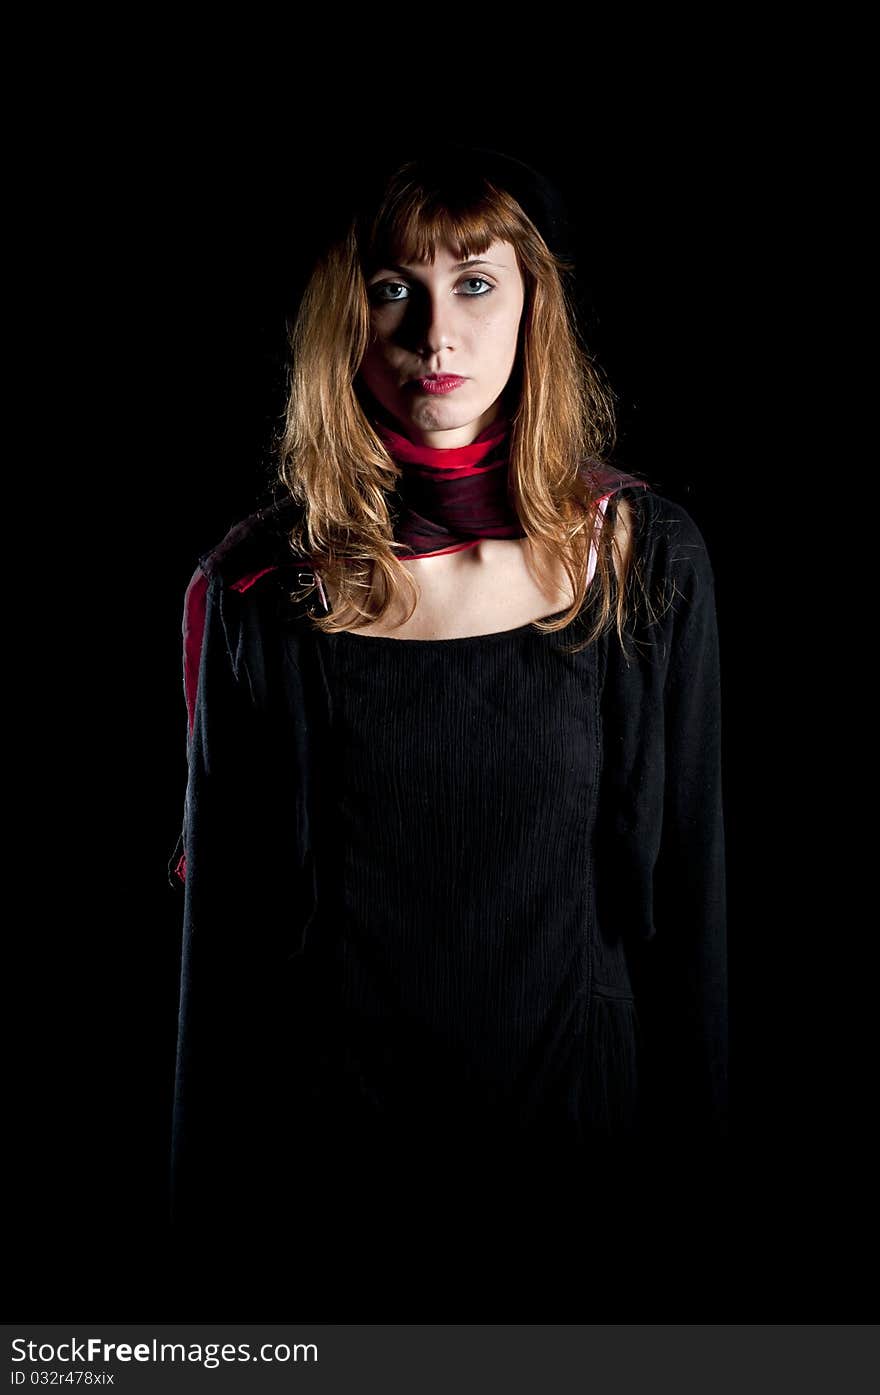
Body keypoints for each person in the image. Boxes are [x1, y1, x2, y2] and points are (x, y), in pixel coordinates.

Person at [166, 144, 728, 1316]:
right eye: (393, 287)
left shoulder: (640, 559)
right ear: (344, 315)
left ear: (534, 304)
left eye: (474, 282)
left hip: (584, 1169)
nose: (436, 334)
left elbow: (689, 914)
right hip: (336, 1194)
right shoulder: (259, 594)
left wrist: (708, 1264)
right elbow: (218, 969)